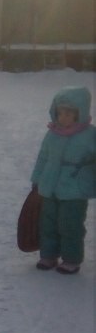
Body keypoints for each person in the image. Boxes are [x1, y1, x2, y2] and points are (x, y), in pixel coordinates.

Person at [30, 86, 96, 275]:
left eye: (68, 113)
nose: (63, 117)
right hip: (50, 185)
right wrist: (37, 179)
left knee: (70, 224)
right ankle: (48, 255)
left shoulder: (90, 135)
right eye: (60, 113)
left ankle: (71, 259)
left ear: (79, 113)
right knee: (48, 222)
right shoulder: (53, 134)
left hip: (75, 188)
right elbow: (43, 156)